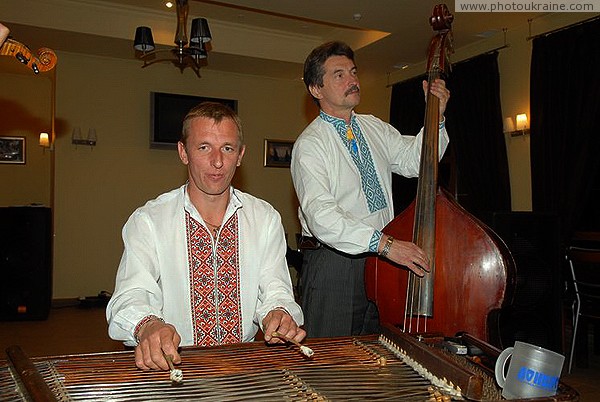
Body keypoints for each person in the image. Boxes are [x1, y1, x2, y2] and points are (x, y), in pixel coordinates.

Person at [107, 101, 305, 371]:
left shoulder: (265, 218)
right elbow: (129, 297)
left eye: (227, 148)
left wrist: (279, 313)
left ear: (240, 154)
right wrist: (148, 325)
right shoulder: (149, 221)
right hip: (175, 368)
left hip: (243, 368)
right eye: (204, 147)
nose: (218, 161)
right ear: (183, 152)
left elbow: (275, 290)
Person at [290, 41, 450, 338]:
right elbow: (322, 217)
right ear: (316, 89)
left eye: (353, 72)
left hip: (381, 261)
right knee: (332, 362)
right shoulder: (310, 146)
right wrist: (387, 244)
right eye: (339, 75)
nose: (352, 80)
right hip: (335, 266)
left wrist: (436, 117)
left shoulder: (373, 126)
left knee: (379, 355)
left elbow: (416, 162)